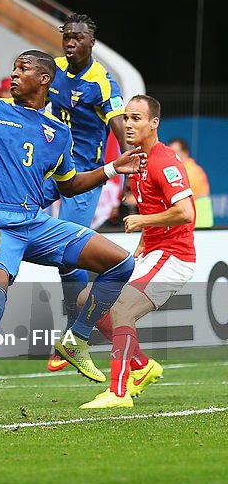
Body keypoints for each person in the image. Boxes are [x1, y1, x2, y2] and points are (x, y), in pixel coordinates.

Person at [0, 50, 144, 427]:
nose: (13, 74)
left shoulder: (58, 133)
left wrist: (111, 168)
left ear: (44, 79)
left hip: (37, 223)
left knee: (121, 262)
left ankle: (76, 338)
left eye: (22, 69)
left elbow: (70, 185)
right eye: (13, 68)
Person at [80, 95, 194, 409]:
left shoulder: (163, 160)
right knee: (85, 300)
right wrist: (145, 238)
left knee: (121, 310)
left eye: (136, 118)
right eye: (126, 118)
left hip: (174, 256)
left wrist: (145, 220)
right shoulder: (137, 161)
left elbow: (185, 212)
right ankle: (141, 366)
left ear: (153, 123)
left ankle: (118, 393)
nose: (128, 124)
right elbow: (156, 205)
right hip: (153, 252)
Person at [46, 14, 128, 371]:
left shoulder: (102, 82)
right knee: (10, 211)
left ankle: (73, 332)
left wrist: (129, 167)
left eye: (77, 37)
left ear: (91, 42)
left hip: (84, 175)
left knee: (68, 254)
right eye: (66, 36)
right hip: (49, 164)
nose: (70, 42)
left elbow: (119, 126)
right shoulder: (53, 69)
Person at [169, 138, 213, 228]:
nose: (172, 155)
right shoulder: (185, 169)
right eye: (170, 152)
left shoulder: (190, 171)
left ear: (185, 152)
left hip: (199, 223)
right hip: (195, 222)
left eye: (175, 151)